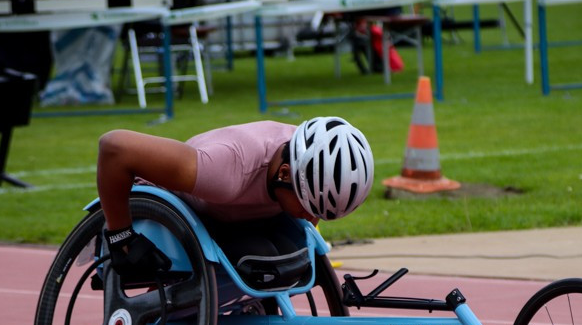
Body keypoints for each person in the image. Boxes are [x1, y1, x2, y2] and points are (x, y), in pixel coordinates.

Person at [96, 117, 375, 283]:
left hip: (236, 212)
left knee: (289, 260)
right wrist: (120, 235)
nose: (311, 217)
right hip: (174, 213)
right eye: (308, 207)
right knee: (261, 261)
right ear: (285, 174)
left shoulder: (309, 154)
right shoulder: (225, 170)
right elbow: (114, 147)